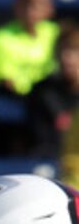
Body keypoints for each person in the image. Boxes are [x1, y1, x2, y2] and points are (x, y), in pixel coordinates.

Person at [0, 0, 60, 95]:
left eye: (38, 4)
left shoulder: (57, 33)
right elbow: (8, 80)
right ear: (16, 5)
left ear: (49, 7)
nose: (31, 10)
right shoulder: (2, 37)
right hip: (21, 100)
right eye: (27, 3)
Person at [28, 22, 79, 184]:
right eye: (63, 51)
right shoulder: (42, 91)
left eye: (75, 51)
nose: (67, 58)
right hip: (51, 172)